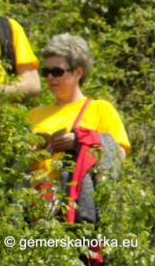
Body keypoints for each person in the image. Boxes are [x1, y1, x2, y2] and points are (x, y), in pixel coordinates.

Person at [28, 34, 129, 225]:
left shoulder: (100, 109)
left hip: (77, 207)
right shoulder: (34, 114)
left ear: (78, 72)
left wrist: (79, 144)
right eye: (46, 71)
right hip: (35, 208)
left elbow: (118, 154)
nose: (50, 77)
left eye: (57, 71)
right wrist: (33, 156)